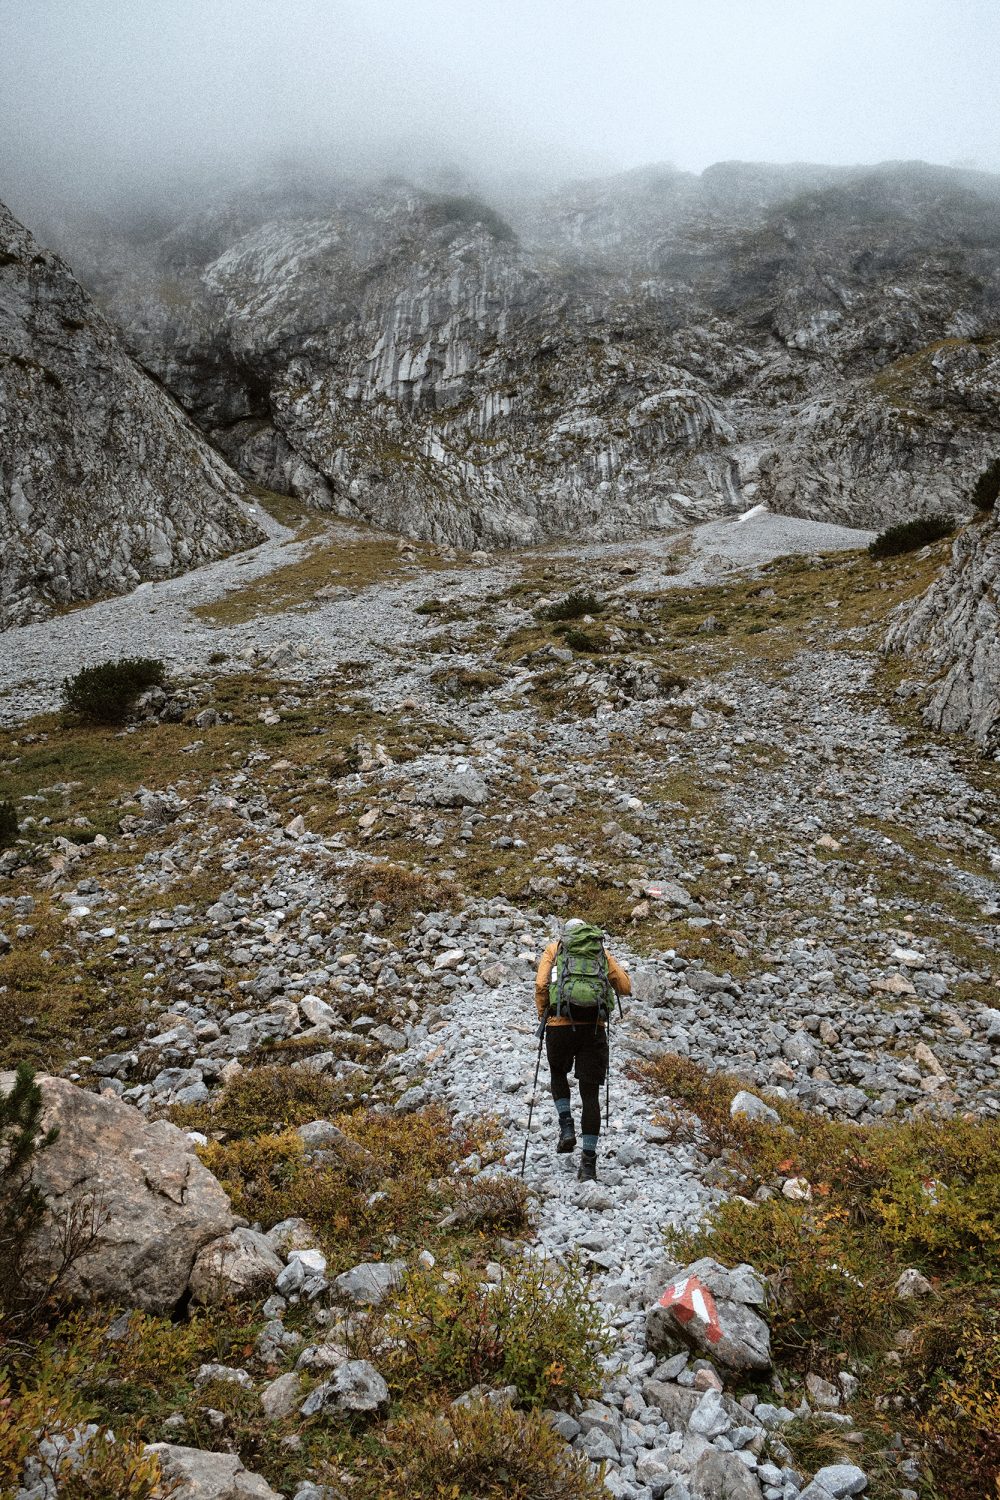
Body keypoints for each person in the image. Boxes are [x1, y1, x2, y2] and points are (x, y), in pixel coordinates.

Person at [534, 918, 631, 1182]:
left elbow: (541, 985)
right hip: (594, 1029)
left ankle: (566, 1125)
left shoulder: (555, 949)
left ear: (565, 933)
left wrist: (545, 1014)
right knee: (590, 1095)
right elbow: (624, 985)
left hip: (559, 1025)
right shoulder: (600, 951)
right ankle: (588, 1164)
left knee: (557, 1073)